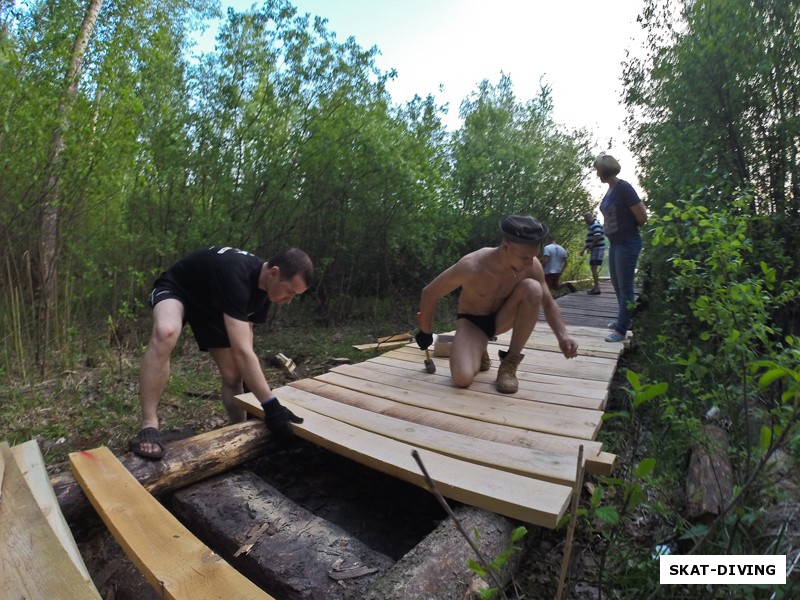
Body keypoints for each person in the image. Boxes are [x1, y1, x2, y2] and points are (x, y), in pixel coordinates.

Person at [130, 245, 314, 459]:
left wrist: (251, 383)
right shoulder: (236, 274)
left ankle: (240, 433)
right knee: (166, 332)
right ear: (274, 272)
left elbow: (247, 342)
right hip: (179, 289)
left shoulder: (265, 292)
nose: (289, 300)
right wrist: (272, 407)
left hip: (212, 307)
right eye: (290, 291)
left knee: (234, 376)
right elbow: (242, 351)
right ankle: (149, 424)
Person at [415, 215, 579, 394]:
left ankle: (510, 362)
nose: (530, 263)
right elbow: (430, 292)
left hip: (504, 317)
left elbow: (548, 304)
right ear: (506, 246)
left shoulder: (532, 265)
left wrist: (563, 336)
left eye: (534, 256)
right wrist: (425, 331)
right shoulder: (472, 265)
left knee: (533, 288)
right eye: (525, 257)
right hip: (473, 324)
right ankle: (478, 351)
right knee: (462, 379)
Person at [594, 154, 648, 343]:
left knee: (625, 287)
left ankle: (621, 330)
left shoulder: (624, 188)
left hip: (627, 242)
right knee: (617, 285)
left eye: (598, 170)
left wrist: (626, 225)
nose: (596, 174)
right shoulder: (611, 190)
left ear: (605, 170)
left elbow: (642, 217)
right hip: (616, 243)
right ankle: (623, 320)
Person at [581, 211, 605, 295]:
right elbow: (590, 239)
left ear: (589, 217)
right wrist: (584, 249)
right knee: (593, 268)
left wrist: (591, 247)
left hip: (598, 249)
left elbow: (597, 237)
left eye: (585, 219)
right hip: (595, 249)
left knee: (593, 268)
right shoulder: (591, 225)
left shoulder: (595, 224)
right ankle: (595, 287)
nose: (585, 221)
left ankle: (597, 288)